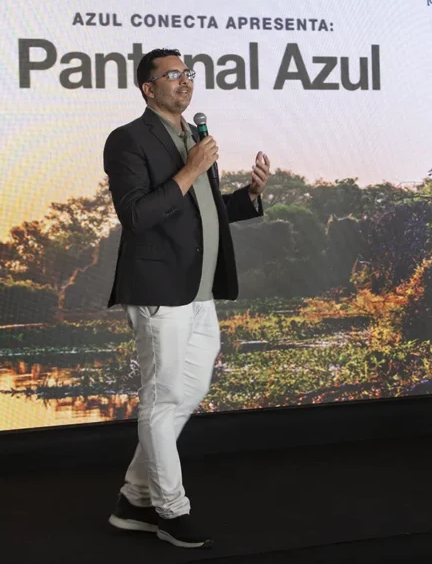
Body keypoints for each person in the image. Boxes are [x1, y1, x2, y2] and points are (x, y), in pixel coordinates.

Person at [102, 48, 271, 548]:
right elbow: (137, 215)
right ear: (148, 87)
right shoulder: (128, 139)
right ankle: (170, 511)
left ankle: (134, 499)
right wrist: (192, 169)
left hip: (198, 290)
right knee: (162, 398)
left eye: (188, 73)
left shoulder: (194, 138)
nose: (184, 81)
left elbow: (202, 211)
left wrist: (249, 196)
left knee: (187, 393)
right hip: (160, 289)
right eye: (172, 74)